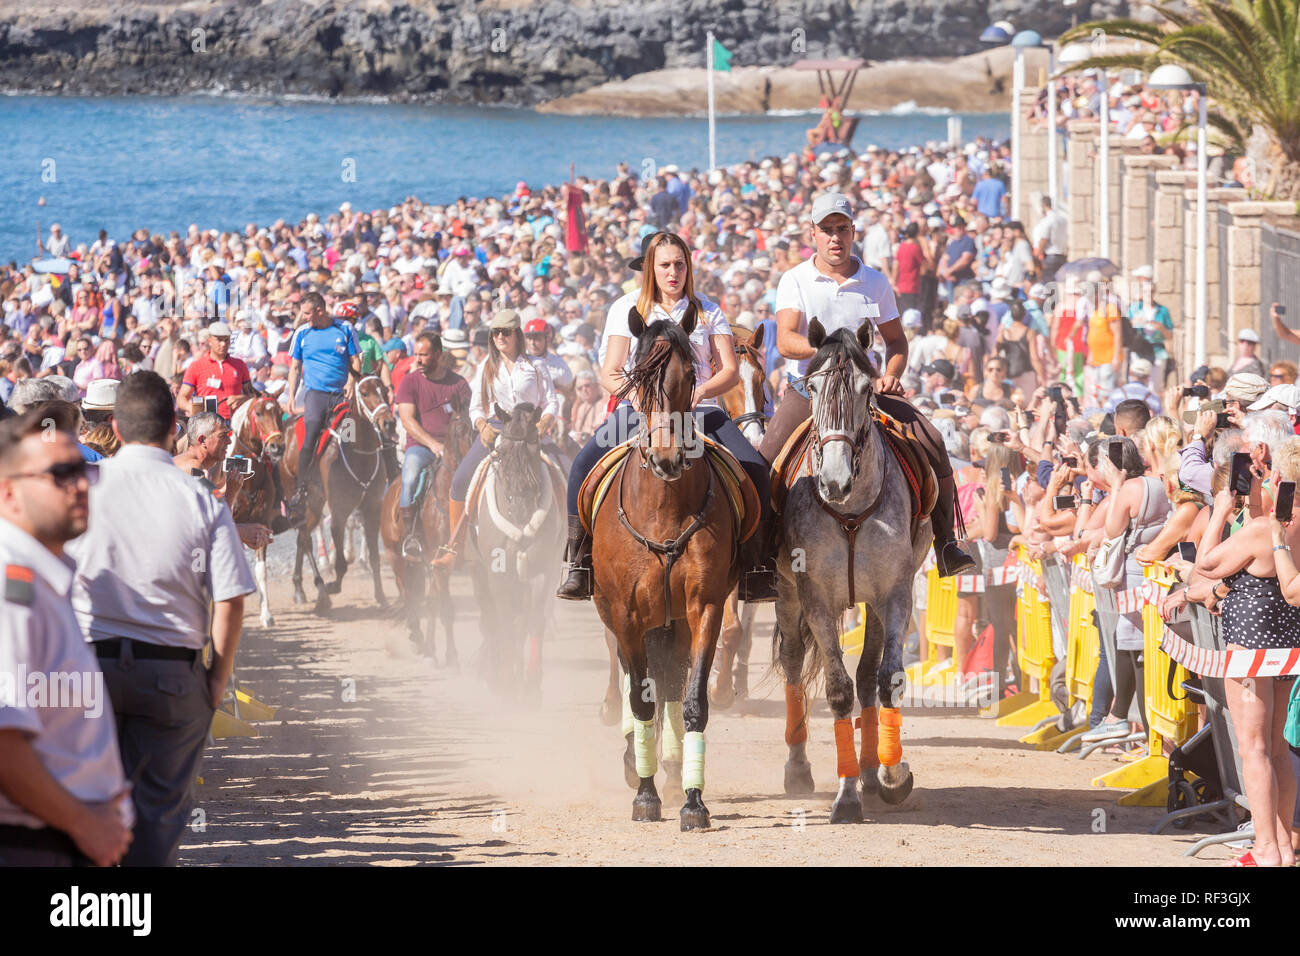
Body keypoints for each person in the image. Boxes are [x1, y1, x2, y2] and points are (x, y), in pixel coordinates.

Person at [65, 371, 256, 866]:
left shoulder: (85, 487)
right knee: (157, 817)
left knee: (89, 803)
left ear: (119, 431)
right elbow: (232, 599)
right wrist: (216, 679)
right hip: (172, 676)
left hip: (89, 671)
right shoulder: (199, 498)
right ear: (175, 429)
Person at [756, 193, 974, 577]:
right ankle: (760, 560)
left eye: (842, 229)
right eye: (827, 230)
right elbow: (787, 338)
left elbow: (897, 342)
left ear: (854, 232)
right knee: (764, 461)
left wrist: (892, 373)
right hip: (810, 391)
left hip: (864, 392)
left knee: (933, 440)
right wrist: (830, 351)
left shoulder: (874, 282)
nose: (835, 238)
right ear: (813, 234)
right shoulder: (796, 280)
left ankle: (946, 543)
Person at [557, 230, 777, 600]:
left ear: (688, 266)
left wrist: (700, 392)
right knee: (581, 466)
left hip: (701, 411)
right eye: (665, 265)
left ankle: (758, 567)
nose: (673, 272)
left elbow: (726, 369)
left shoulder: (707, 309)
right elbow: (610, 371)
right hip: (639, 411)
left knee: (754, 468)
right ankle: (579, 563)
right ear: (650, 269)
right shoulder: (628, 307)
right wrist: (642, 399)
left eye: (679, 264)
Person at [0, 410, 133, 867]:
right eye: (60, 474)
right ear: (8, 492)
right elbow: (3, 739)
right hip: (36, 843)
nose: (80, 485)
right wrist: (84, 823)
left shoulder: (37, 576)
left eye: (81, 470)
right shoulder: (10, 587)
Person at [1201, 432, 1300, 867]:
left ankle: (1265, 848)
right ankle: (1280, 844)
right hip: (1287, 646)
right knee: (1277, 749)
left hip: (1251, 647)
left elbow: (1204, 565)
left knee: (1254, 747)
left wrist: (1221, 511)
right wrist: (1258, 492)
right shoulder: (1279, 529)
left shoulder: (1264, 531)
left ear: (1281, 476)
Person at [438, 309, 559, 567]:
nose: (500, 337)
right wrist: (481, 424)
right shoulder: (485, 367)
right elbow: (475, 406)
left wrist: (545, 422)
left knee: (569, 472)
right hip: (496, 430)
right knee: (460, 481)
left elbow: (550, 401)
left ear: (517, 334)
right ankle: (455, 547)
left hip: (532, 431)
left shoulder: (537, 365)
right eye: (495, 333)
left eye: (505, 332)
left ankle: (574, 546)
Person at [1081, 436, 1170, 746]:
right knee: (1133, 651)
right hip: (1153, 575)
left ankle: (1135, 728)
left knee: (1136, 654)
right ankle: (1122, 718)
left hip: (1135, 577)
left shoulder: (1130, 489)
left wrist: (1117, 487)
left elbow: (1113, 529)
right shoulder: (1159, 482)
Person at [286, 292, 362, 523]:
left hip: (341, 394)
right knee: (309, 436)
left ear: (320, 309)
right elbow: (294, 367)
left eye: (308, 313)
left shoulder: (345, 328)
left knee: (350, 437)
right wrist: (291, 396)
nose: (305, 317)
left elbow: (356, 359)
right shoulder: (302, 333)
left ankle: (356, 490)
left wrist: (351, 380)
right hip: (316, 394)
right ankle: (302, 489)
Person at [394, 331, 471, 559]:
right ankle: (411, 538)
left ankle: (478, 533)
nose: (417, 360)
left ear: (437, 355)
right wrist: (434, 445)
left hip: (457, 449)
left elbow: (468, 417)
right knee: (409, 478)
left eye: (423, 355)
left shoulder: (458, 384)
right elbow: (407, 420)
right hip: (421, 447)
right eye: (415, 354)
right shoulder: (410, 382)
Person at [177, 321, 254, 420]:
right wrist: (190, 407)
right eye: (219, 340)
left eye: (226, 340)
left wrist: (242, 399)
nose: (223, 344)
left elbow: (252, 395)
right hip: (207, 424)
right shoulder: (196, 366)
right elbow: (181, 398)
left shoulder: (240, 365)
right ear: (209, 341)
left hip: (234, 423)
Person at [1031, 196, 1068, 283]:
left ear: (1043, 206)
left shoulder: (1047, 220)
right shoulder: (1062, 219)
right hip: (1061, 255)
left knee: (1049, 283)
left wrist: (1037, 255)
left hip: (1050, 255)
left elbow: (1044, 239)